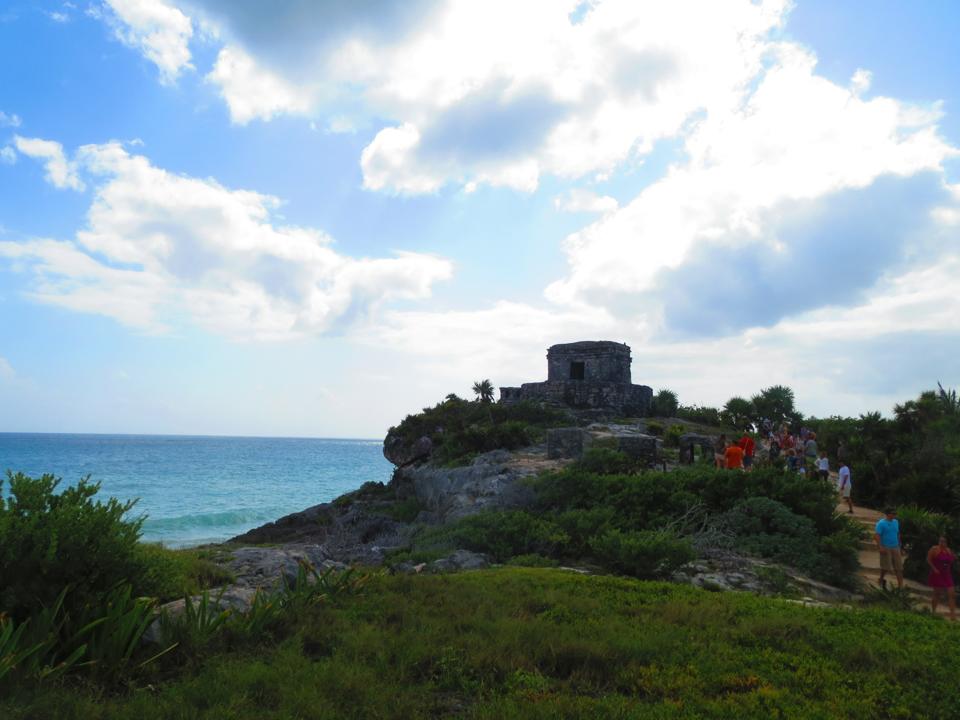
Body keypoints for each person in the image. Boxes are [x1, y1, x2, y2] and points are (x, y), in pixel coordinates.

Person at [927, 536, 956, 620]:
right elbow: (928, 560)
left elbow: (952, 560)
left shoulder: (948, 550)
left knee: (952, 593)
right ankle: (933, 611)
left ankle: (952, 615)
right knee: (937, 593)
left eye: (944, 541)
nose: (942, 543)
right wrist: (934, 569)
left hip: (947, 574)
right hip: (937, 573)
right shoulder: (934, 549)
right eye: (940, 541)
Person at [875, 508, 903, 590]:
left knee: (899, 567)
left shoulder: (896, 522)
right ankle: (881, 578)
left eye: (895, 514)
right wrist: (880, 547)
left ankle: (900, 586)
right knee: (886, 567)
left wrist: (900, 545)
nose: (894, 515)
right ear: (888, 514)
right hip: (885, 546)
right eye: (893, 513)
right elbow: (877, 535)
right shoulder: (881, 523)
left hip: (895, 546)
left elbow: (897, 533)